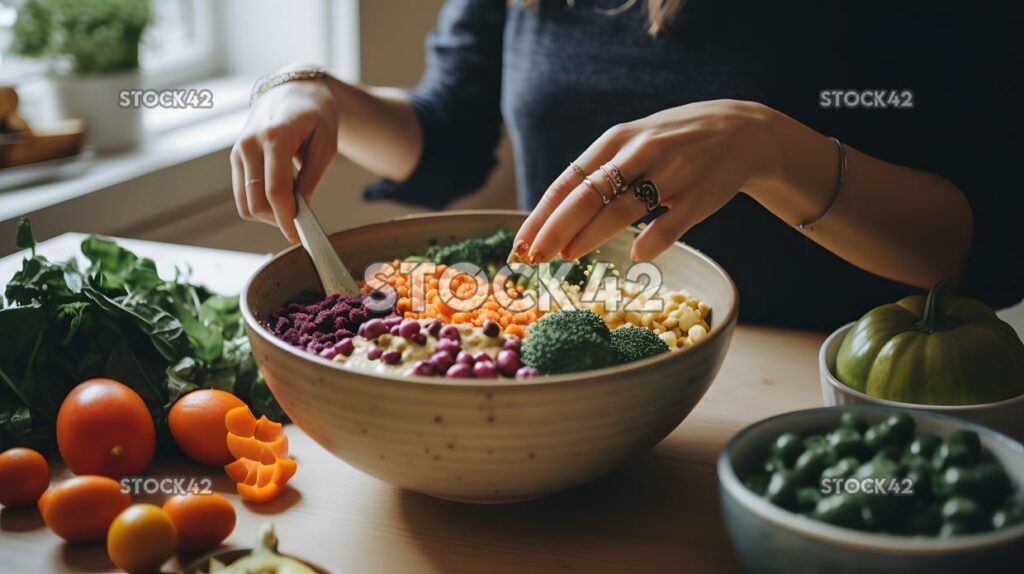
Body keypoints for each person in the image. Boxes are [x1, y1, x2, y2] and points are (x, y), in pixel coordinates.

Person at [231, 0, 1022, 329]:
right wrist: (310, 93)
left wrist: (774, 148)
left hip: (825, 405)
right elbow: (445, 134)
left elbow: (981, 246)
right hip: (574, 392)